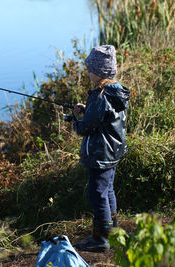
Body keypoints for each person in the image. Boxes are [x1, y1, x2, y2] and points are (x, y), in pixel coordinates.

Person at [71, 45, 131, 253]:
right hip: (113, 152)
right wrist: (87, 110)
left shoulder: (100, 95)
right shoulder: (117, 92)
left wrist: (75, 121)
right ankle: (112, 231)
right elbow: (106, 117)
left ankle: (100, 239)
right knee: (108, 190)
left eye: (89, 69)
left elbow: (87, 127)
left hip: (100, 153)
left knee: (97, 194)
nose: (87, 72)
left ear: (98, 72)